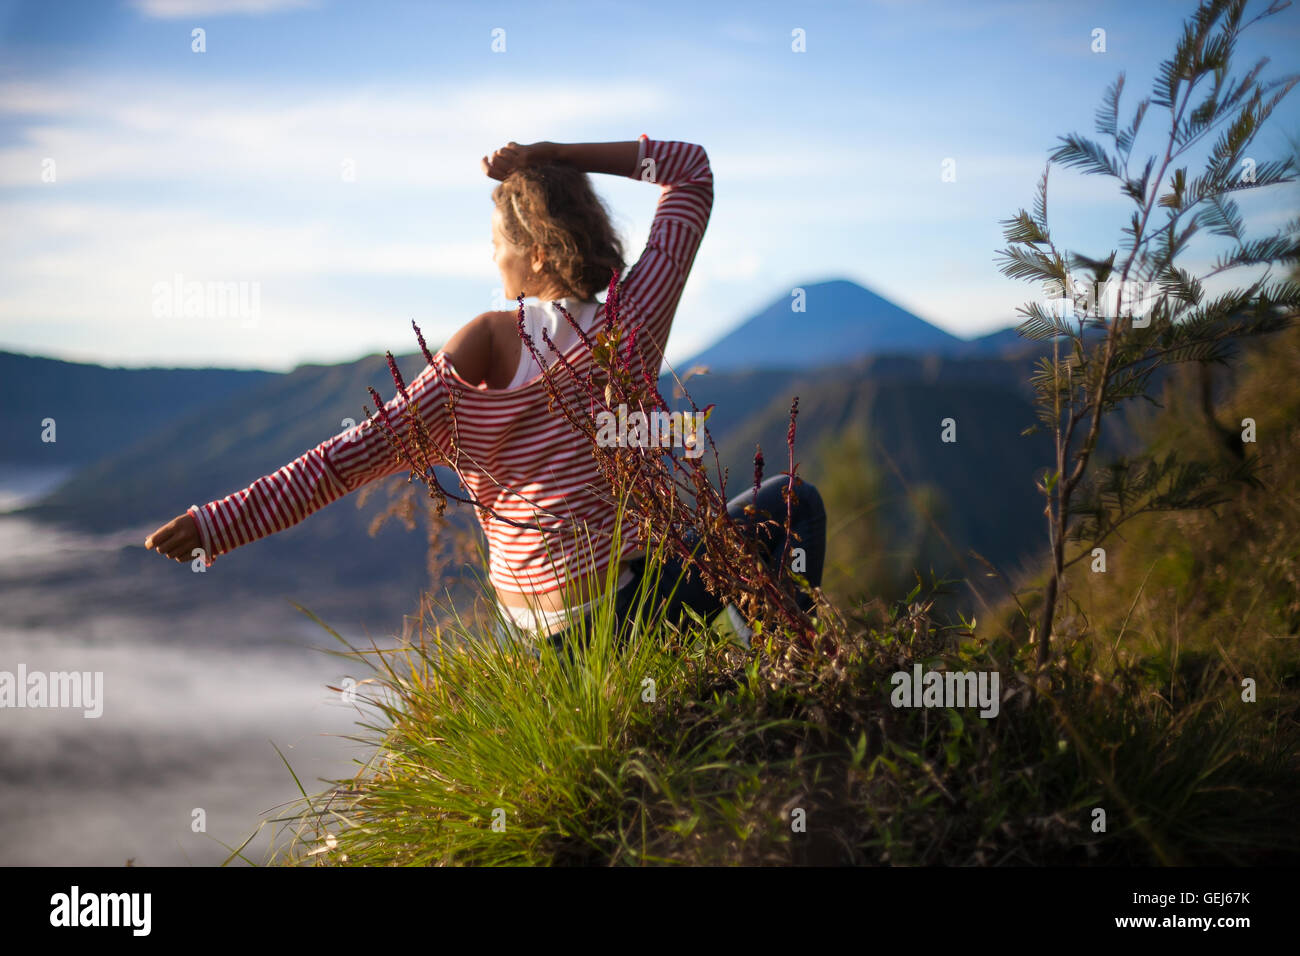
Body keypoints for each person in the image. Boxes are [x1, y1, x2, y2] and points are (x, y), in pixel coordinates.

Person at [143, 135, 825, 652]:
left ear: (533, 249)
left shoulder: (478, 349)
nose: (493, 257)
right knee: (791, 501)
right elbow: (690, 169)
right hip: (614, 621)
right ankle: (779, 668)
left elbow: (343, 461)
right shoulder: (634, 316)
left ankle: (728, 656)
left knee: (668, 538)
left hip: (537, 641)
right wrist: (555, 154)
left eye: (497, 242)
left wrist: (215, 526)